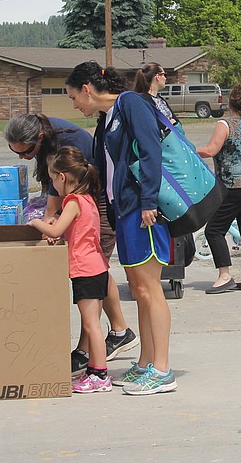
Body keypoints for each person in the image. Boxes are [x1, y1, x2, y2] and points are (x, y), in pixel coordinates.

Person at [65, 61, 177, 395]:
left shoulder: (130, 103)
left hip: (144, 212)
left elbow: (151, 149)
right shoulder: (107, 119)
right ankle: (145, 362)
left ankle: (162, 369)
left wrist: (148, 202)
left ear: (87, 89)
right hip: (125, 212)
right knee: (139, 291)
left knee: (149, 289)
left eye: (73, 97)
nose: (74, 105)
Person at [4, 113, 137, 371]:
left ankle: (91, 359)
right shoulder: (64, 179)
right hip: (82, 221)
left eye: (26, 152)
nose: (22, 157)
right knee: (100, 273)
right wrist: (52, 217)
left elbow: (58, 200)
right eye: (15, 152)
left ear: (40, 139)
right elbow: (55, 194)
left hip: (95, 216)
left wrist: (45, 223)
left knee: (91, 302)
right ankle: (118, 332)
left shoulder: (71, 150)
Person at [28, 146, 112, 393]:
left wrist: (36, 222)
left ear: (62, 177)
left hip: (85, 269)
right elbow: (67, 229)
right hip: (97, 266)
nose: (54, 183)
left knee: (90, 326)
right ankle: (94, 371)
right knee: (93, 322)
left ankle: (100, 375)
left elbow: (53, 230)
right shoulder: (87, 199)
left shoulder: (73, 201)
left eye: (53, 178)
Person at [196, 82, 241, 294]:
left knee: (214, 229)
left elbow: (211, 150)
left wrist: (188, 149)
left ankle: (224, 275)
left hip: (233, 186)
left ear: (230, 103)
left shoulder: (225, 124)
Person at [133, 62, 180, 128]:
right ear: (157, 77)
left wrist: (172, 123)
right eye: (164, 75)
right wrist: (168, 124)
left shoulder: (160, 99)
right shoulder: (142, 101)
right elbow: (147, 124)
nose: (165, 78)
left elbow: (176, 121)